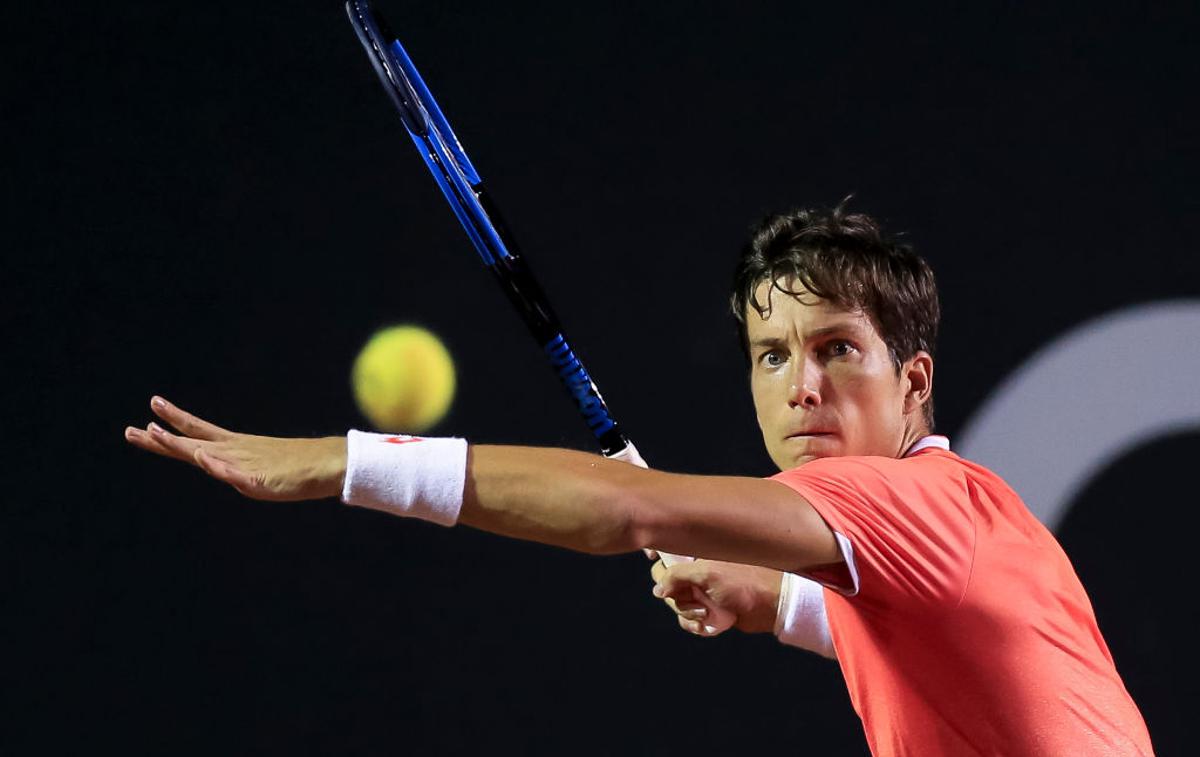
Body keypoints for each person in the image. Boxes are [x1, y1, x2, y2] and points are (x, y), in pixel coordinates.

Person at [124, 202, 1153, 756]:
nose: (802, 389)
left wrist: (335, 462)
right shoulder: (969, 515)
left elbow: (624, 510)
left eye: (838, 349)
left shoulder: (904, 503)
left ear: (913, 381)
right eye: (771, 355)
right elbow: (943, 638)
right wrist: (768, 600)